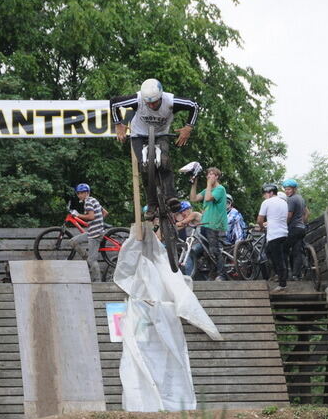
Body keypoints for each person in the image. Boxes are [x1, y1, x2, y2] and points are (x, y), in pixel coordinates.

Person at [110, 79, 199, 218]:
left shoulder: (170, 101)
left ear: (161, 96)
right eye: (148, 103)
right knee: (144, 166)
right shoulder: (138, 99)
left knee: (164, 161)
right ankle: (151, 203)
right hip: (138, 135)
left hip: (160, 134)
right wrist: (118, 123)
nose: (151, 105)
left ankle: (171, 196)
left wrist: (188, 127)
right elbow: (114, 102)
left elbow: (194, 105)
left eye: (155, 102)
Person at [189, 167, 228, 280]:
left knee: (214, 250)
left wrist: (209, 184)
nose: (209, 176)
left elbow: (208, 197)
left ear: (217, 177)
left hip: (215, 224)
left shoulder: (220, 189)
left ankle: (222, 275)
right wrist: (194, 183)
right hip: (205, 224)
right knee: (207, 252)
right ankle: (213, 273)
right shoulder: (208, 189)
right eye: (208, 174)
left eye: (212, 174)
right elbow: (193, 198)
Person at [70, 183, 108, 282]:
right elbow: (105, 213)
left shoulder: (88, 202)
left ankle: (98, 282)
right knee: (73, 242)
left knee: (92, 260)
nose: (79, 195)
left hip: (95, 234)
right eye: (78, 193)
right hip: (93, 231)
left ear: (87, 193)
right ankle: (86, 256)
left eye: (81, 193)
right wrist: (98, 222)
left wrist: (77, 215)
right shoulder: (94, 200)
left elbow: (91, 216)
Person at [258, 183, 289, 292]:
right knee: (269, 253)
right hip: (284, 233)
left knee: (278, 259)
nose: (264, 196)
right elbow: (279, 218)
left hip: (274, 235)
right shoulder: (284, 203)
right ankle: (277, 275)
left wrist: (261, 227)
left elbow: (259, 219)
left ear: (271, 192)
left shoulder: (267, 202)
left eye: (265, 193)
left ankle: (282, 284)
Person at [282, 178, 307, 280]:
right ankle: (295, 275)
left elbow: (289, 216)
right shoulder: (300, 198)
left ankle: (284, 274)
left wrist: (284, 225)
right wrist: (302, 223)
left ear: (294, 189)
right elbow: (307, 213)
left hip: (293, 228)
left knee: (283, 249)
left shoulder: (291, 200)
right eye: (285, 189)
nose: (287, 191)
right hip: (301, 229)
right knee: (296, 251)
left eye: (289, 189)